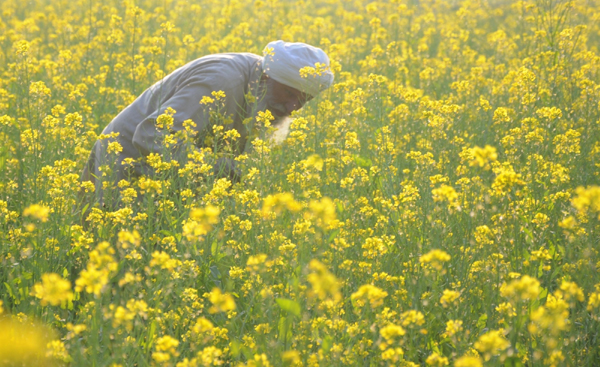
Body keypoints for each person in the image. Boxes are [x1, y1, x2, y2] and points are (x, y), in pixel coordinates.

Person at [81, 40, 334, 205]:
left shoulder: (261, 87)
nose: (293, 108)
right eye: (289, 94)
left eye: (305, 100)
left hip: (171, 177)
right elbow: (153, 135)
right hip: (127, 162)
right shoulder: (222, 81)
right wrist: (220, 169)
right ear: (267, 78)